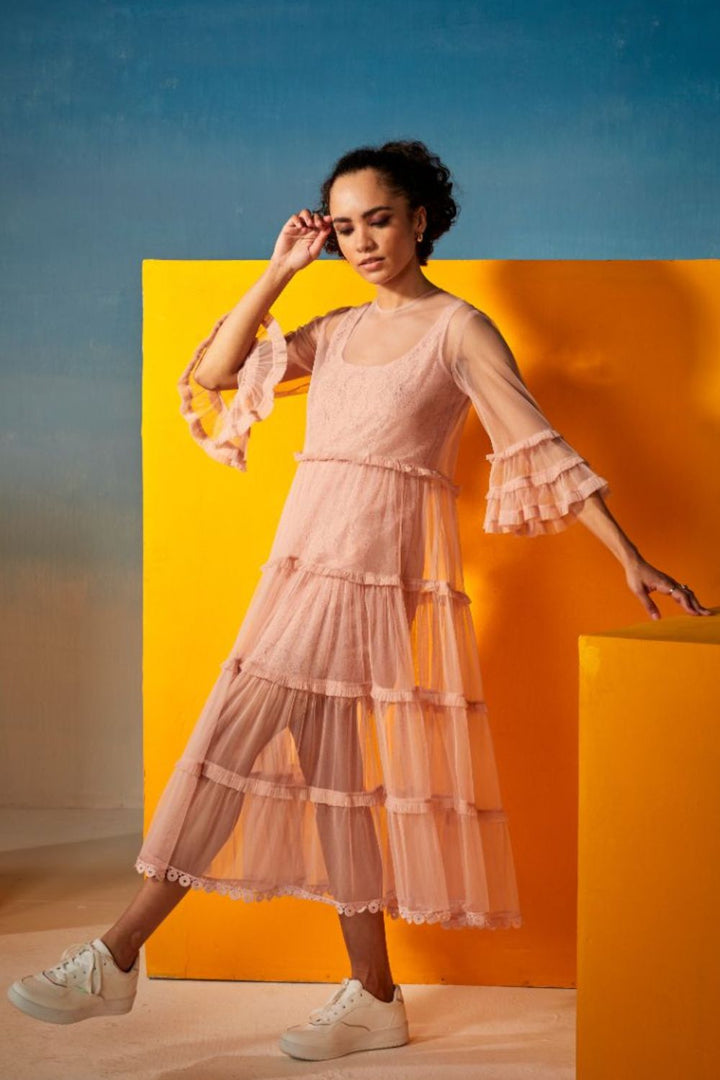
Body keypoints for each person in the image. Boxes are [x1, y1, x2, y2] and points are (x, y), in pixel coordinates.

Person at [7, 140, 712, 1062]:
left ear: (420, 220)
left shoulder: (459, 331)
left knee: (229, 742)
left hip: (371, 583)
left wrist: (629, 555)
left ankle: (117, 953)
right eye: (344, 227)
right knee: (334, 782)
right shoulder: (334, 330)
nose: (363, 241)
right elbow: (217, 373)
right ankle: (375, 996)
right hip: (301, 572)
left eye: (379, 219)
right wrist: (279, 271)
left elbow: (538, 444)